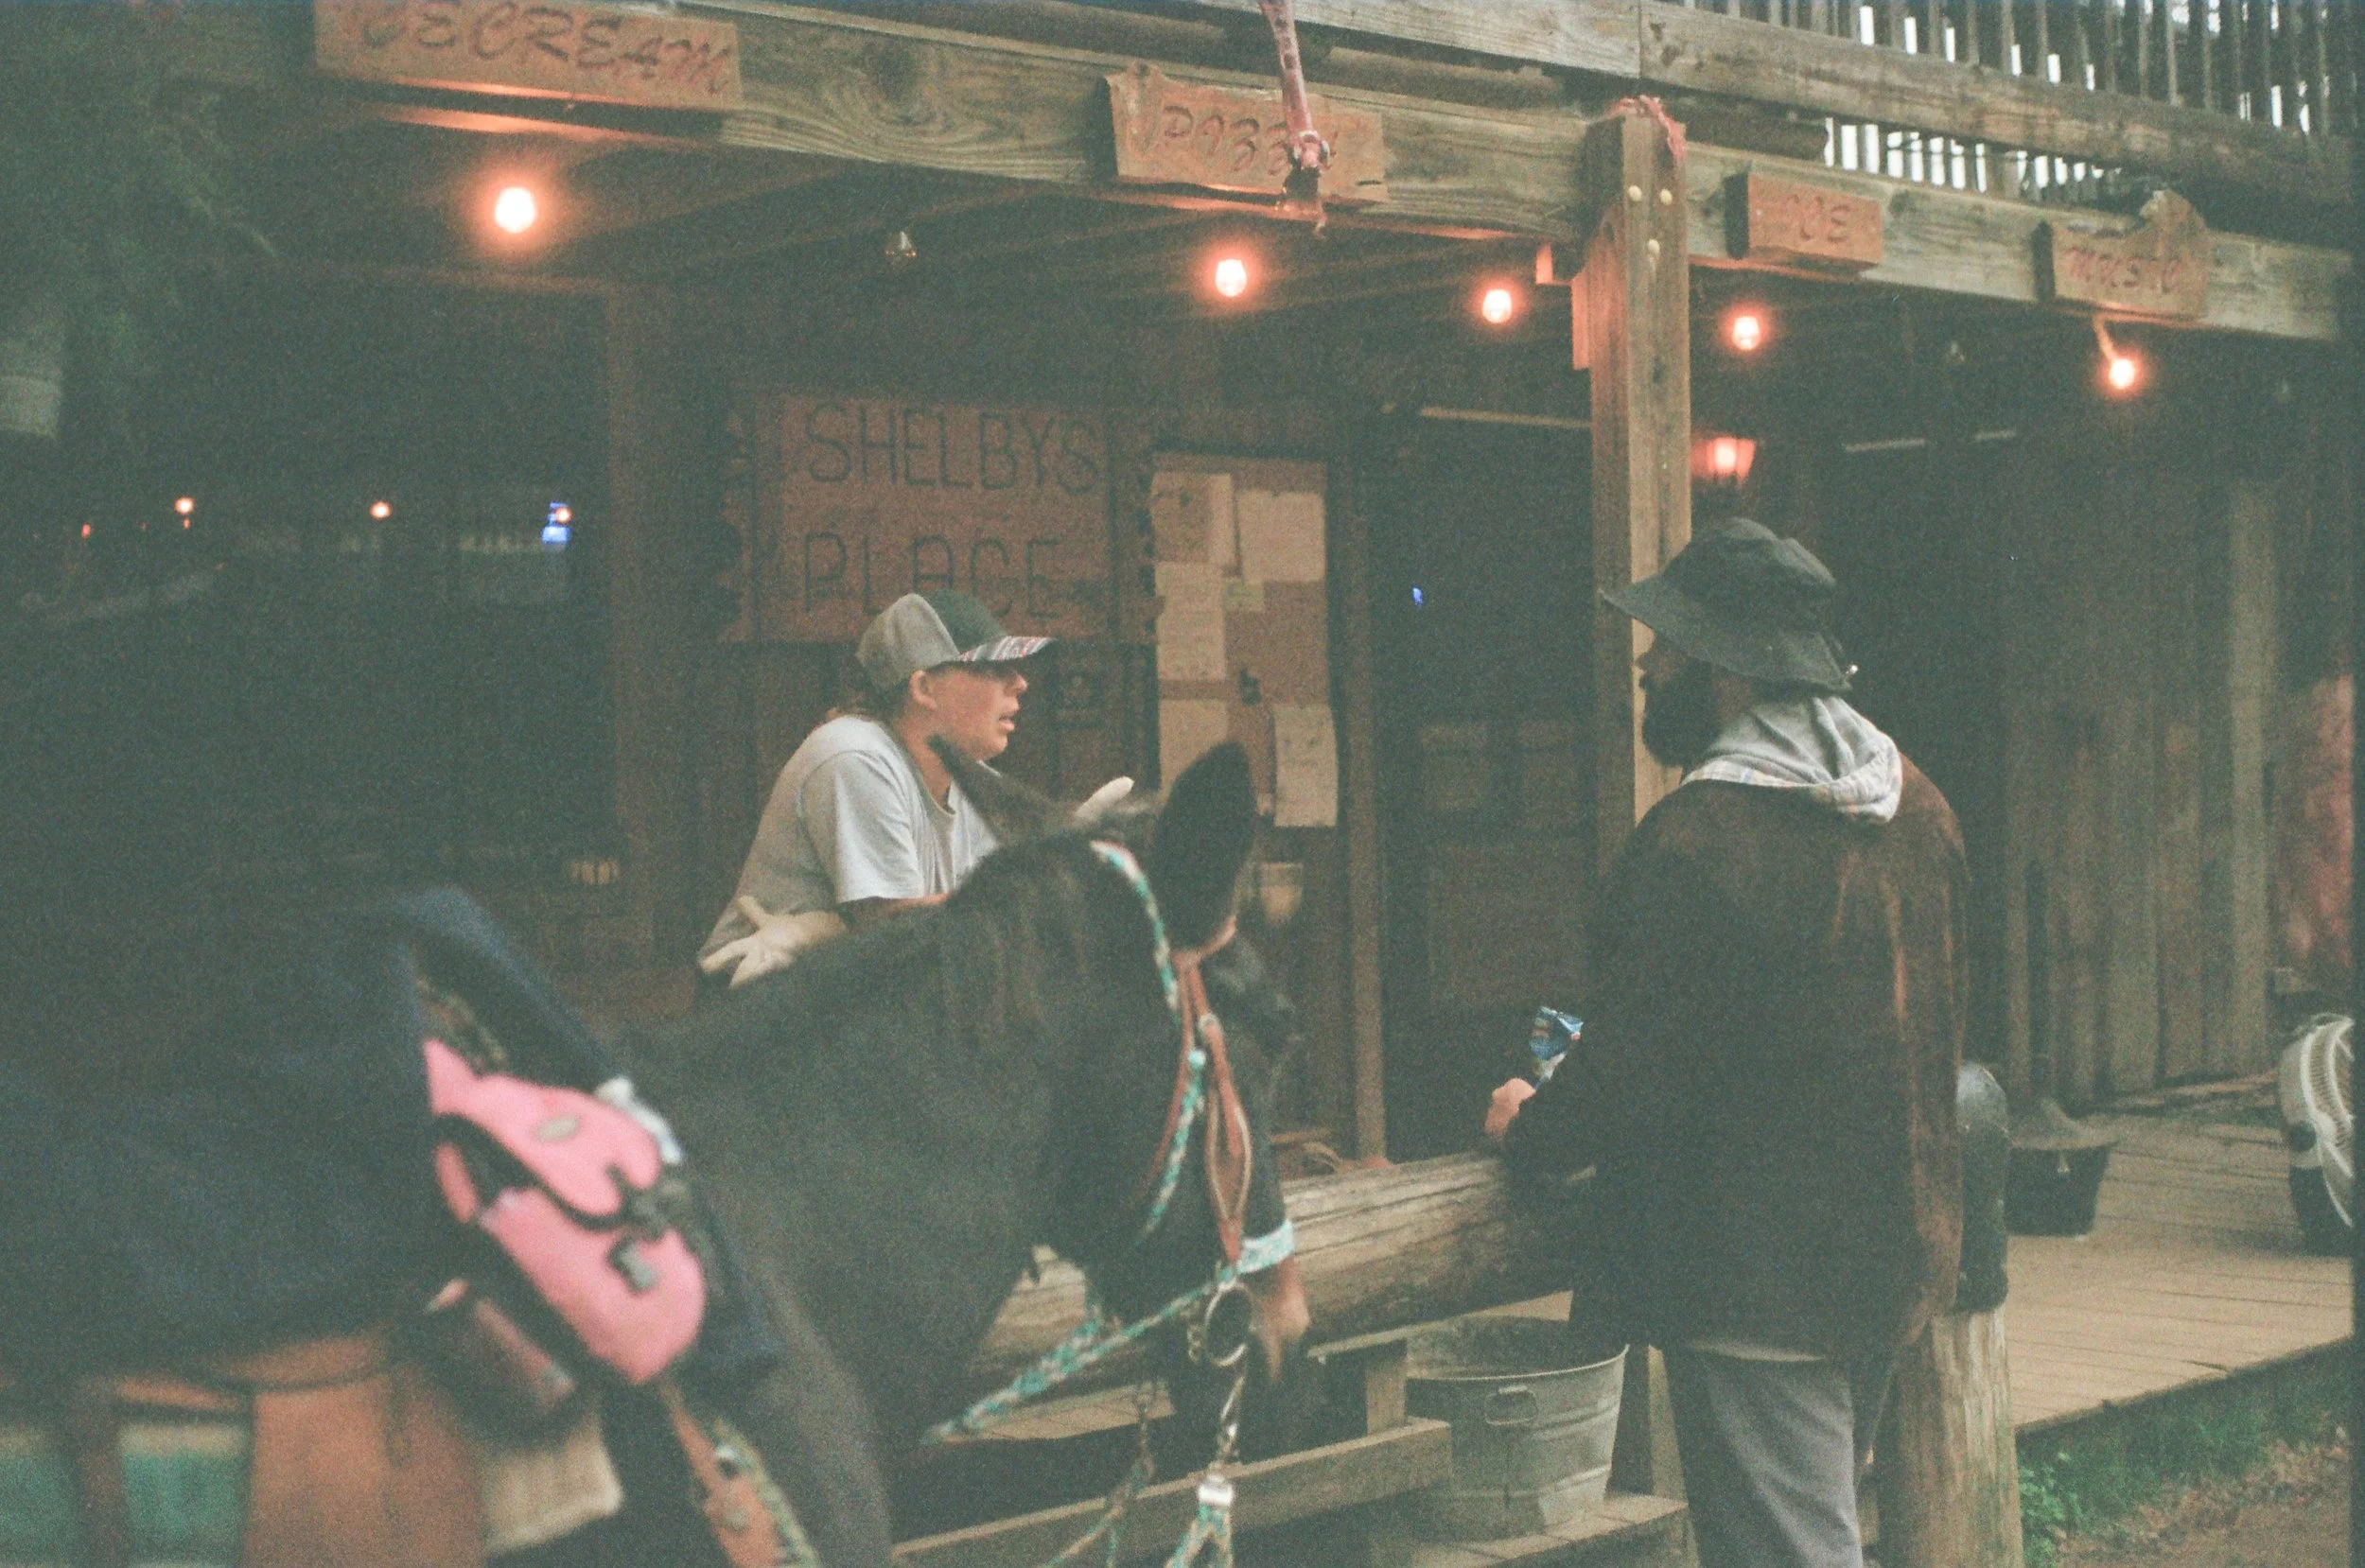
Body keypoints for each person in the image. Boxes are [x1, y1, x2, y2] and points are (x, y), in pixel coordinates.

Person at [1483, 517, 1965, 1568]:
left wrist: (1531, 1124)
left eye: (1666, 649)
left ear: (1720, 671)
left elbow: (1630, 1074)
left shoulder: (1699, 844)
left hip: (1759, 1282)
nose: (1649, 667)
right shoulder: (1917, 809)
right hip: (1891, 1256)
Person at [697, 590, 1049, 989]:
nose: (1019, 683)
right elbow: (896, 932)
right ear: (924, 688)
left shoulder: (978, 782)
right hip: (754, 1012)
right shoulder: (855, 753)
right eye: (991, 667)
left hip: (853, 1005)